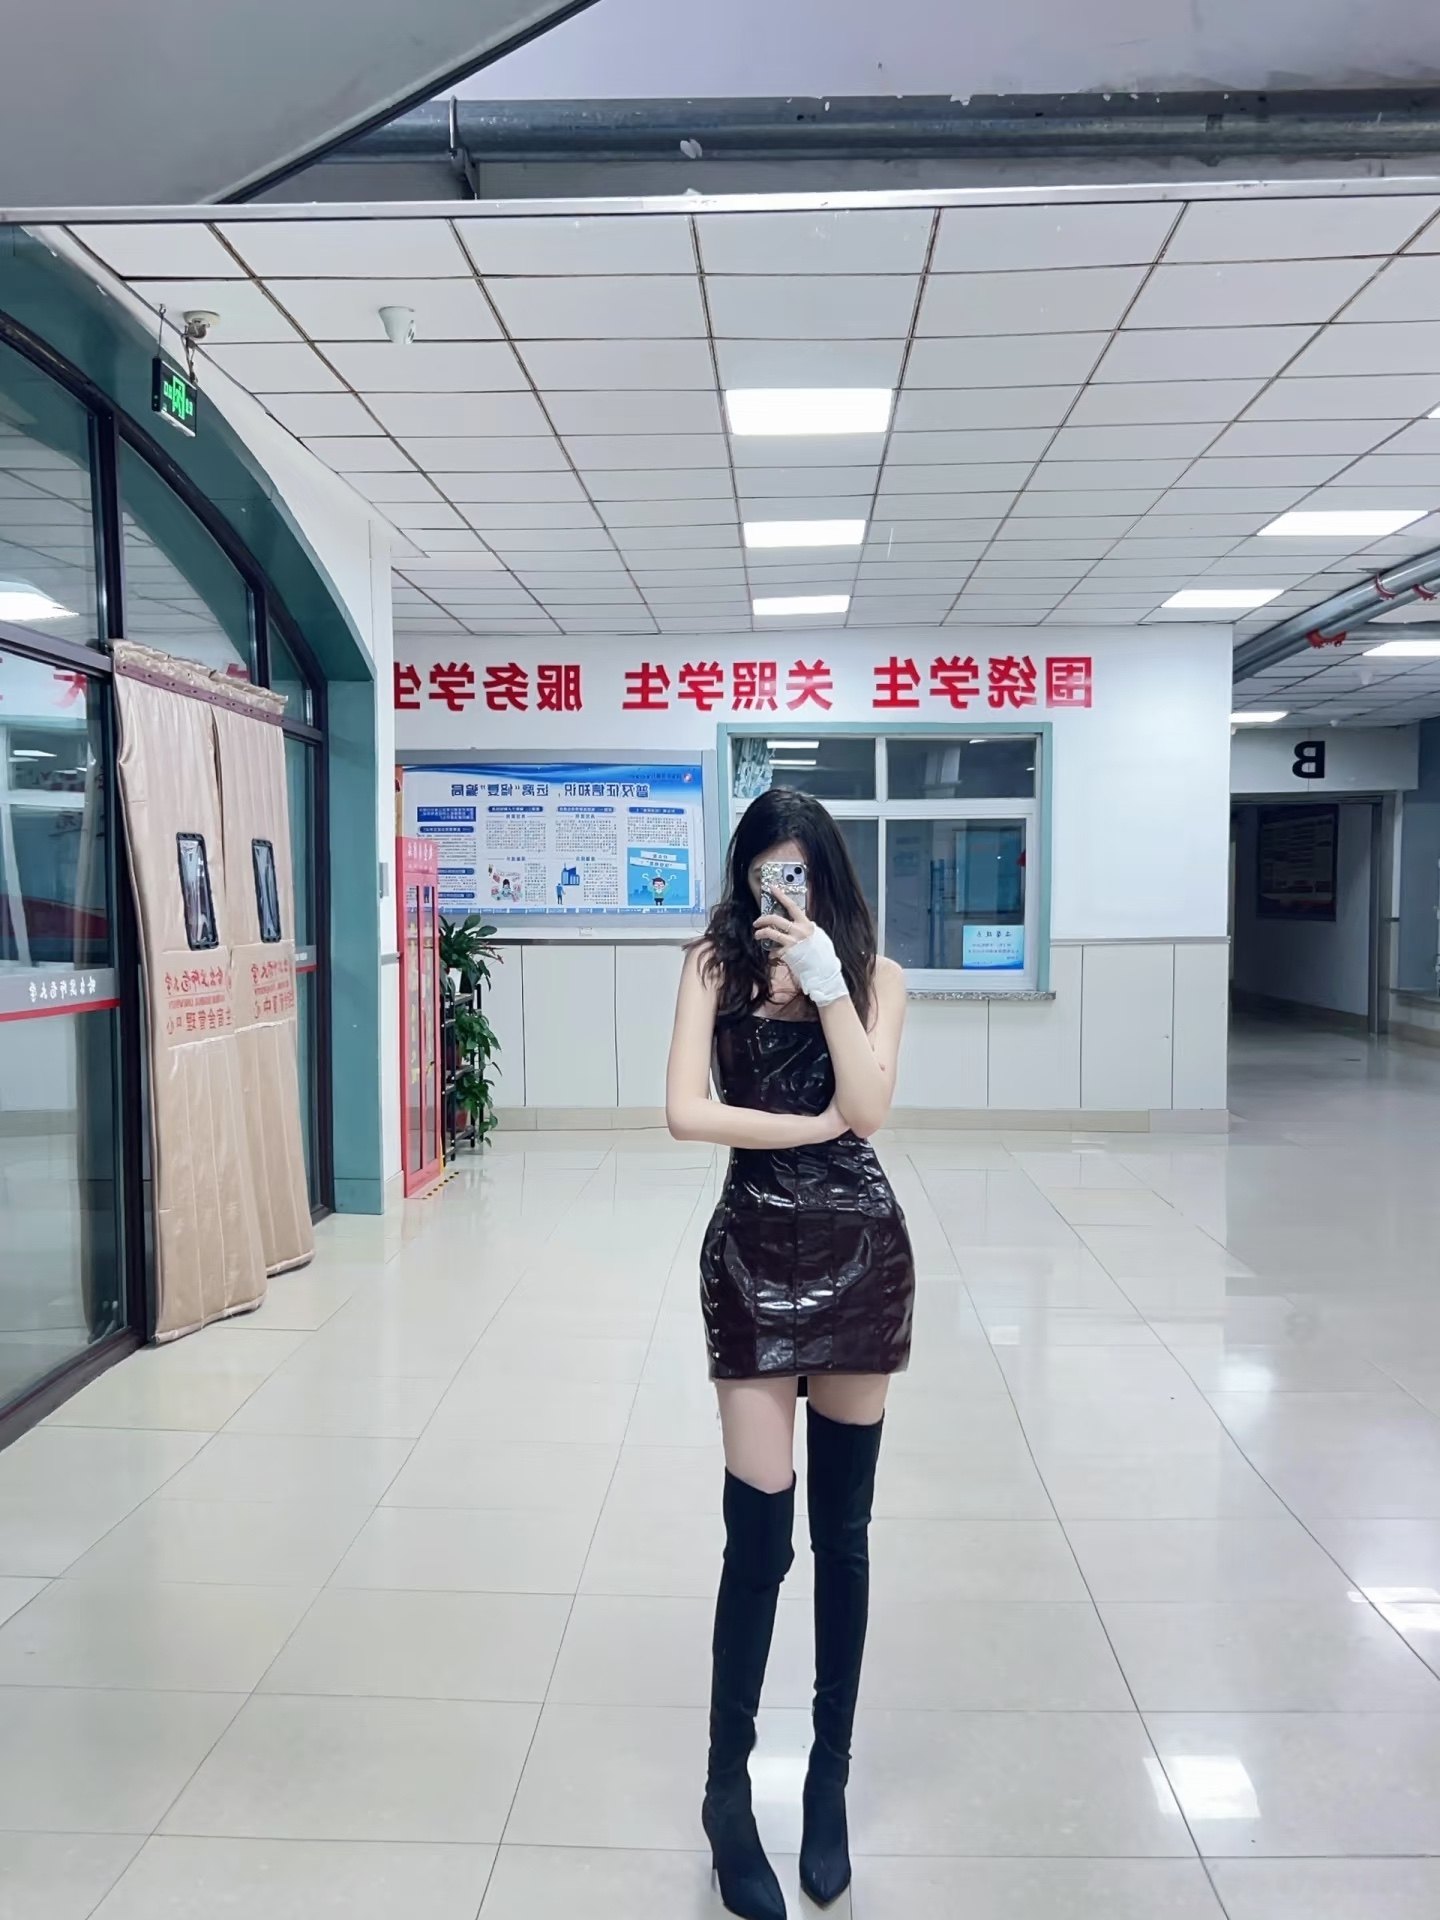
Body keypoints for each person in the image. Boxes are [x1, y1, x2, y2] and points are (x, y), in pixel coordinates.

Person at [665, 786, 914, 1919]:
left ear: (827, 876)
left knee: (843, 1539)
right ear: (742, 875)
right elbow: (685, 1110)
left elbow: (870, 1108)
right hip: (754, 1250)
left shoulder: (877, 976)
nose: (780, 891)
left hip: (861, 1248)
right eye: (765, 872)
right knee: (759, 1541)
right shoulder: (711, 966)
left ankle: (828, 1783)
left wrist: (828, 983)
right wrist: (804, 1127)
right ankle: (728, 1795)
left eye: (798, 873)